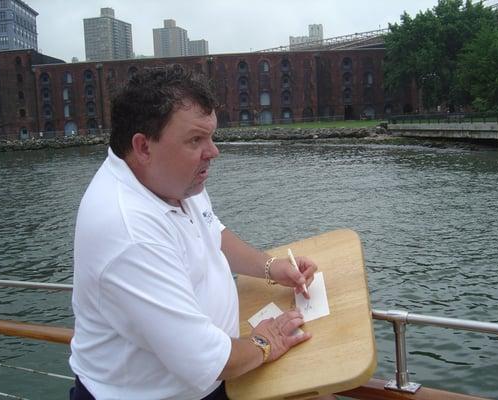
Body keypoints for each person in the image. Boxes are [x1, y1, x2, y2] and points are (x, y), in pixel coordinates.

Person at [69, 66, 319, 400]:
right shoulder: (127, 231)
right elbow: (207, 359)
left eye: (211, 136)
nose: (213, 151)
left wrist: (271, 267)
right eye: (195, 140)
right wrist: (264, 342)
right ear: (143, 147)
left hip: (220, 369)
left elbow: (212, 232)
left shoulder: (174, 177)